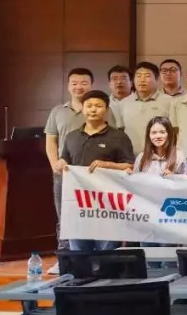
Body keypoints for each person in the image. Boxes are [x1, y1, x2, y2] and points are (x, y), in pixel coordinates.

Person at [53, 90, 134, 252]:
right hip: (78, 204)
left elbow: (129, 166)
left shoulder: (119, 137)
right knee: (79, 253)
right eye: (89, 106)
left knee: (106, 253)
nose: (93, 109)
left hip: (107, 206)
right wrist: (60, 164)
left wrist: (107, 165)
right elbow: (65, 160)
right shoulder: (72, 137)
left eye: (98, 106)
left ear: (107, 109)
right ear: (83, 109)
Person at [44, 67, 92, 239]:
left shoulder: (100, 109)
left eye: (84, 83)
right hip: (64, 171)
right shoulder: (58, 111)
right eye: (74, 83)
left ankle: (91, 254)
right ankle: (64, 252)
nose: (79, 87)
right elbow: (51, 141)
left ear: (91, 85)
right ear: (68, 86)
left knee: (92, 216)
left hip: (92, 173)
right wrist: (54, 165)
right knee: (64, 216)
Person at [111, 62, 173, 155]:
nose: (142, 80)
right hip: (129, 156)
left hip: (159, 155)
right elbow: (119, 132)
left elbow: (174, 131)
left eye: (147, 76)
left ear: (157, 79)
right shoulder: (124, 103)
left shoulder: (169, 101)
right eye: (138, 76)